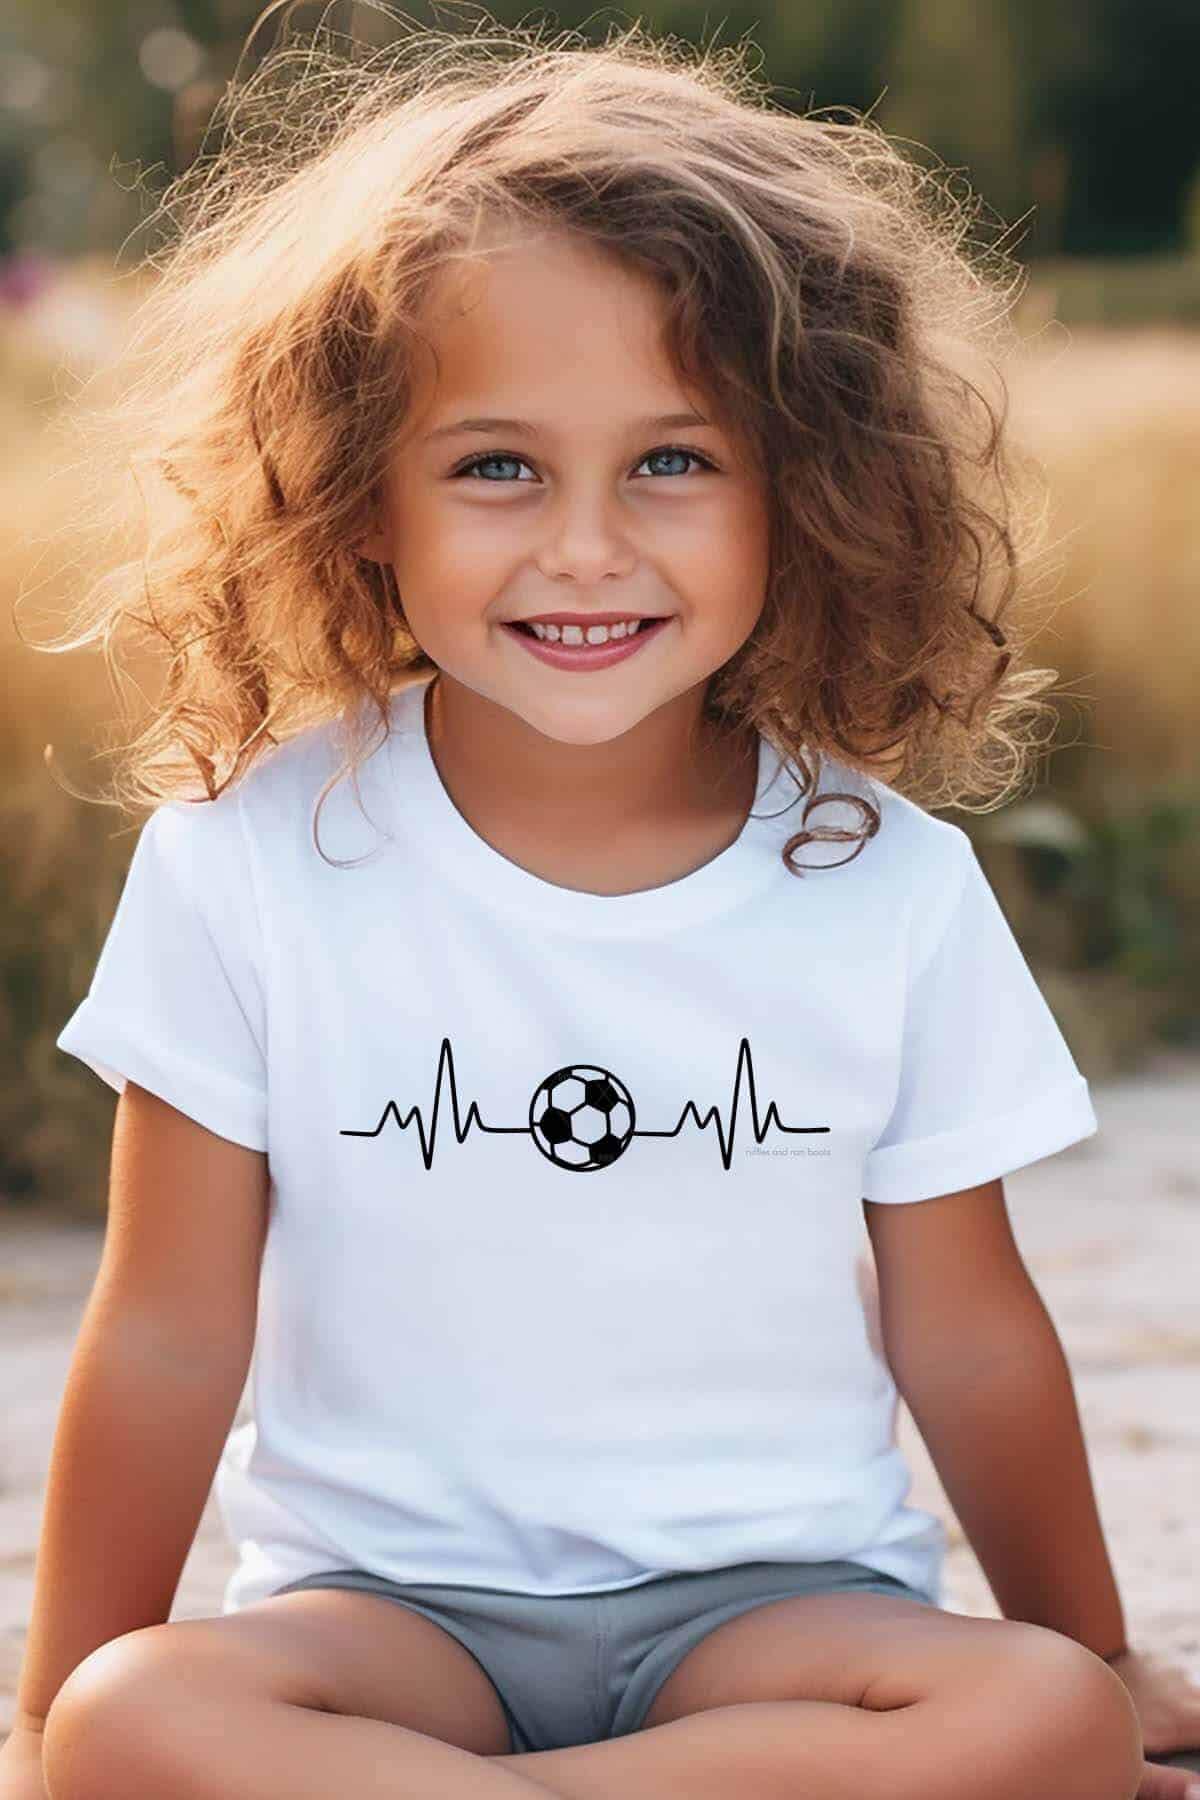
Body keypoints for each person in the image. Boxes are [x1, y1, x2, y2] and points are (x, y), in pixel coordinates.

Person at [5, 12, 1199, 1800]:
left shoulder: (888, 885)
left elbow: (968, 1332)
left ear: (810, 489)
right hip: (385, 1625)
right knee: (129, 1725)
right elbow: (171, 1328)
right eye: (497, 466)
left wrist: (1096, 1649)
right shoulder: (248, 859)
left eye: (674, 460)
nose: (585, 547)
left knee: (1040, 1720)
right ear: (359, 506)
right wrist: (44, 1734)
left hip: (778, 1617)